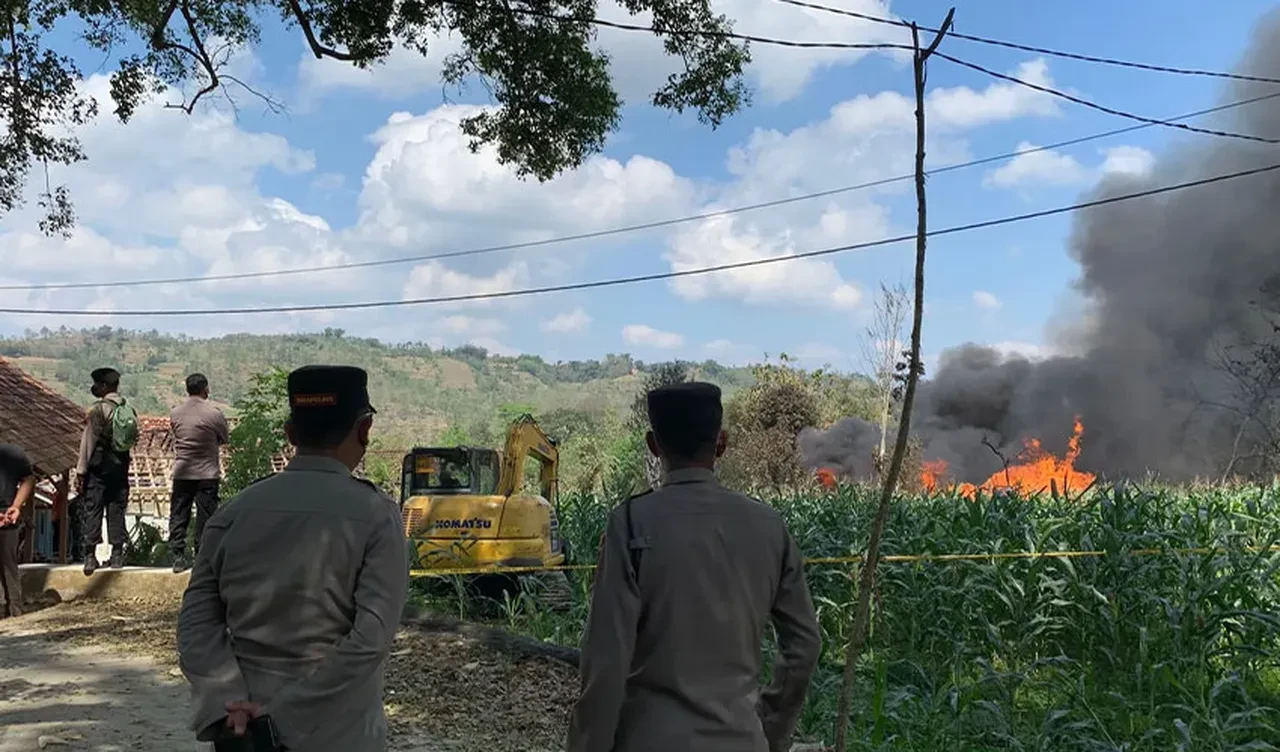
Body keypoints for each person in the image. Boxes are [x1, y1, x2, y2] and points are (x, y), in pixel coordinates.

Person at [568, 382, 823, 752]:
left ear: (653, 446)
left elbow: (606, 663)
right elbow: (804, 646)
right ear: (722, 442)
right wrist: (769, 732)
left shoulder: (630, 525)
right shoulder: (768, 526)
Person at [177, 365, 408, 751]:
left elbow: (196, 621)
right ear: (364, 429)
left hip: (240, 733)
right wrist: (278, 719)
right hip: (338, 734)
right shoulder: (376, 516)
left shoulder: (235, 512)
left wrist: (227, 706)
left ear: (290, 434)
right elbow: (370, 639)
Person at [168, 373, 230, 573]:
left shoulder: (175, 413)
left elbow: (177, 435)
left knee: (179, 513)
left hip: (182, 472)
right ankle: (202, 558)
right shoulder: (214, 414)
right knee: (206, 516)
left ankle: (177, 556)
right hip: (207, 473)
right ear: (206, 389)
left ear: (187, 389)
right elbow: (224, 438)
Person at [76, 367, 135, 575]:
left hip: (99, 467)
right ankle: (117, 555)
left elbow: (88, 442)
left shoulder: (98, 410)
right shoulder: (128, 408)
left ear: (103, 386)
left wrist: (81, 471)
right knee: (116, 509)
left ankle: (90, 556)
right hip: (120, 466)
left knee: (94, 508)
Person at [0, 443, 36, 618]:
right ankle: (13, 609)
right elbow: (29, 478)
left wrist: (16, 506)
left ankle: (15, 608)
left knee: (9, 564)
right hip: (7, 515)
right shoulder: (13, 453)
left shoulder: (12, 454)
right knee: (9, 564)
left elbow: (28, 478)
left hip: (7, 516)